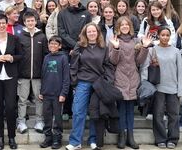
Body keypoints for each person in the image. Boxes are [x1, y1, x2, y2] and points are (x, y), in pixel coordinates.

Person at [66, 22, 111, 150]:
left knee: (95, 113)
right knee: (78, 111)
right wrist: (74, 81)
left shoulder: (103, 47)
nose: (92, 33)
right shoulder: (79, 46)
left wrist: (108, 80)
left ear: (98, 33)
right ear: (85, 34)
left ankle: (93, 140)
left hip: (98, 84)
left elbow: (107, 65)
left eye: (94, 31)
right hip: (83, 82)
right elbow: (73, 65)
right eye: (89, 31)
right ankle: (75, 142)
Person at [108, 16, 151, 149]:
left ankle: (130, 137)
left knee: (130, 111)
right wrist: (115, 48)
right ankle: (121, 136)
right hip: (120, 78)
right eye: (122, 25)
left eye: (127, 25)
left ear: (130, 27)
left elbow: (139, 61)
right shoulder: (114, 40)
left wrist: (144, 47)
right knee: (121, 109)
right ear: (118, 28)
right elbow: (113, 61)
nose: (125, 27)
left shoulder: (136, 40)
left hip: (133, 78)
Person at [140, 27, 182, 149]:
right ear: (158, 36)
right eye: (162, 35)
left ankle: (173, 139)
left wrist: (181, 90)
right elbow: (145, 67)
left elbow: (181, 72)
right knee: (158, 114)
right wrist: (144, 84)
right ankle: (160, 138)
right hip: (157, 87)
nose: (165, 37)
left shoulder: (176, 51)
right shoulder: (152, 50)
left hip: (173, 87)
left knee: (174, 114)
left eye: (167, 35)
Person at [0, 14, 23, 150]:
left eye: (3, 23)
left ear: (6, 24)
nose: (1, 25)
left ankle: (12, 137)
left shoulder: (14, 38)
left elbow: (21, 56)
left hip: (10, 77)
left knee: (11, 107)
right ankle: (0, 138)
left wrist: (11, 58)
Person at [17, 12, 49, 134]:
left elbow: (46, 55)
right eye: (28, 21)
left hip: (38, 74)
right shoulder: (20, 37)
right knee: (22, 99)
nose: (30, 23)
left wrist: (44, 72)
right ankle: (21, 122)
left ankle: (39, 121)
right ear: (24, 23)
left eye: (32, 21)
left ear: (36, 21)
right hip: (23, 74)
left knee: (39, 98)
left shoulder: (42, 37)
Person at [38, 36, 70, 149]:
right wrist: (42, 91)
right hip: (46, 93)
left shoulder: (63, 58)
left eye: (55, 44)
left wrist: (63, 93)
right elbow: (44, 75)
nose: (53, 46)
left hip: (58, 94)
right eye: (51, 44)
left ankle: (57, 138)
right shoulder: (46, 57)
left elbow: (66, 78)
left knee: (57, 118)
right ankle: (48, 137)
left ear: (60, 46)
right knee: (47, 117)